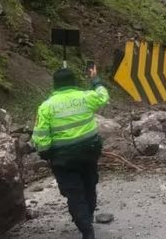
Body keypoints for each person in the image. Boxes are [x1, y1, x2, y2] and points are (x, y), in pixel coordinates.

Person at [32, 66, 109, 239]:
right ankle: (87, 218)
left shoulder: (46, 107)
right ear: (74, 82)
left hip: (63, 159)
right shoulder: (86, 97)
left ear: (55, 85)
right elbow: (103, 95)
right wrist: (95, 79)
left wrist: (46, 153)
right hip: (90, 152)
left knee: (74, 192)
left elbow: (40, 137)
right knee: (89, 185)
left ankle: (86, 229)